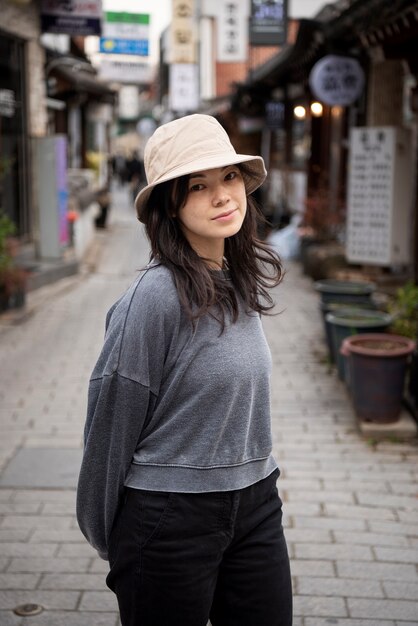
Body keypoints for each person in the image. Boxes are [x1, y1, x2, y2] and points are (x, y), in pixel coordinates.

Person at [76, 114, 293, 626]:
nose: (223, 196)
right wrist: (117, 540)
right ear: (170, 204)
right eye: (199, 185)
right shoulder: (152, 299)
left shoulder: (235, 281)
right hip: (170, 515)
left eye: (230, 177)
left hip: (257, 502)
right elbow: (109, 426)